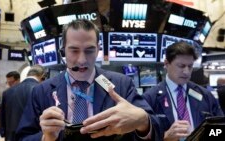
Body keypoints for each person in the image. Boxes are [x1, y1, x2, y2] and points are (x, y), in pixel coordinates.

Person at [16, 19, 162, 141]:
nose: (82, 60)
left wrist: (143, 121)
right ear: (63, 51)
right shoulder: (42, 91)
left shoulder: (121, 85)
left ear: (98, 49)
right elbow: (22, 137)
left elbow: (157, 130)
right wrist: (46, 137)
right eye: (74, 50)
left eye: (89, 50)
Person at [142, 41, 224, 141]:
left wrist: (202, 135)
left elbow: (220, 130)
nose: (186, 71)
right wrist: (164, 137)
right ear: (166, 63)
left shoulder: (205, 95)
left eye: (190, 66)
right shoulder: (150, 98)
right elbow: (138, 137)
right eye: (181, 66)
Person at [0, 65, 45, 141]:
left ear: (28, 74)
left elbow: (2, 116)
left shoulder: (7, 92)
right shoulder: (41, 90)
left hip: (10, 136)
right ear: (42, 76)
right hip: (32, 137)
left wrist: (3, 132)